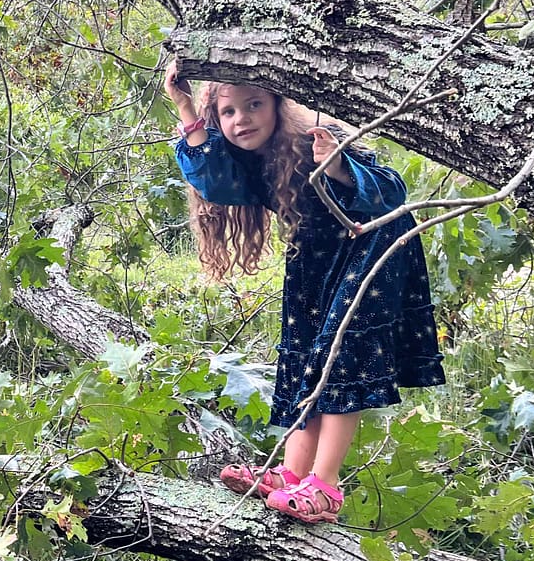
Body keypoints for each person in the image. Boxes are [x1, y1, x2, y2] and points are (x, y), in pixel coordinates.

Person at [164, 63, 444, 523]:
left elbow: (392, 193)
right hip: (314, 258)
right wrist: (186, 107)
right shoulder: (248, 162)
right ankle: (293, 474)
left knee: (341, 355)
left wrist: (336, 165)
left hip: (371, 247)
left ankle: (326, 486)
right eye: (229, 111)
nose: (242, 119)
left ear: (279, 104)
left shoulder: (313, 137)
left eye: (254, 104)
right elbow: (214, 179)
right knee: (305, 356)